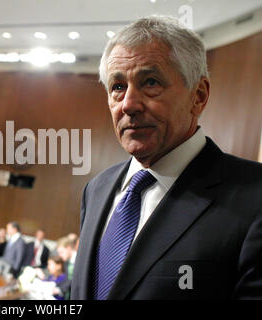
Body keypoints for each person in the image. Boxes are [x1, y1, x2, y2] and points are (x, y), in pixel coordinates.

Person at [71, 16, 262, 300]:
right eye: (118, 87)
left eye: (150, 82)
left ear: (198, 96)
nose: (129, 105)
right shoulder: (96, 190)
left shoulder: (254, 198)